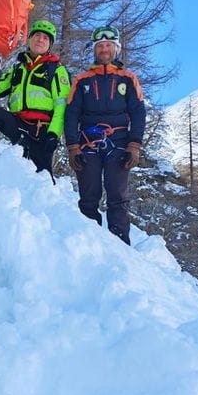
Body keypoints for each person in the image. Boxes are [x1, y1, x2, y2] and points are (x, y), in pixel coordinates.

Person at [64, 25, 145, 244]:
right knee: (89, 196)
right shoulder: (82, 81)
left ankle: (120, 245)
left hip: (119, 143)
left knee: (117, 196)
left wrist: (134, 145)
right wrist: (72, 147)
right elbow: (71, 114)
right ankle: (88, 244)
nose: (104, 49)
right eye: (100, 46)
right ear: (94, 49)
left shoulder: (128, 79)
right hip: (88, 143)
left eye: (108, 45)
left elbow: (138, 113)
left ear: (116, 49)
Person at [0, 20, 71, 175]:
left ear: (50, 44)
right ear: (29, 39)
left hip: (41, 131)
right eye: (37, 35)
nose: (40, 39)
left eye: (46, 38)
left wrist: (54, 134)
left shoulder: (57, 71)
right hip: (18, 124)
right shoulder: (17, 68)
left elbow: (62, 105)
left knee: (43, 178)